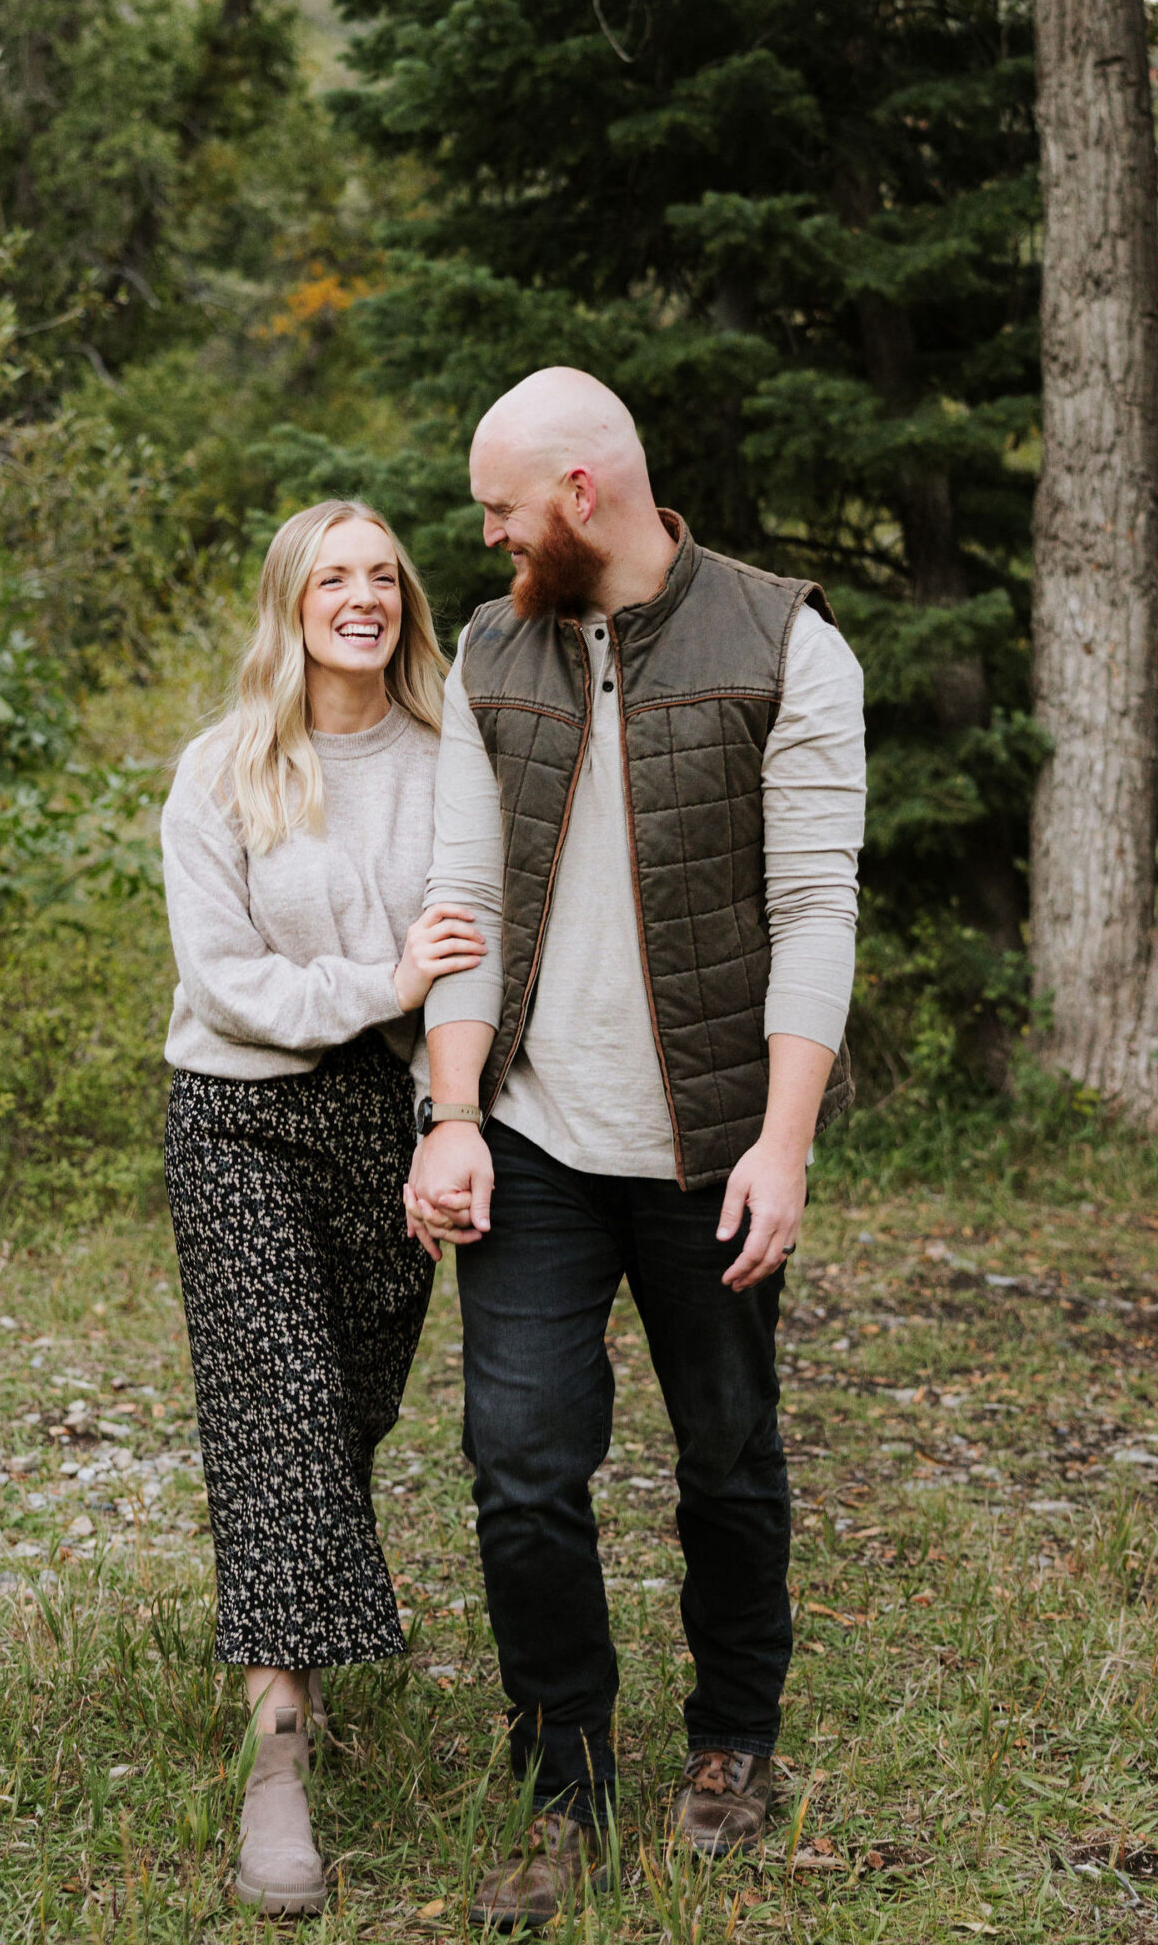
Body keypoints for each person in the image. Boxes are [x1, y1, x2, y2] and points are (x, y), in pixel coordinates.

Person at [405, 369, 865, 1929]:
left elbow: (814, 909)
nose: (484, 533)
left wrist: (783, 1144)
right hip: (531, 1134)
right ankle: (567, 1784)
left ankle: (734, 1744)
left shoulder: (789, 645)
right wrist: (453, 1113)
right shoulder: (490, 647)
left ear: (582, 496)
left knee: (729, 1459)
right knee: (522, 1473)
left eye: (500, 506)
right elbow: (463, 895)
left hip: (712, 1143)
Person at [160, 498, 485, 1917]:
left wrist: (439, 1111)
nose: (362, 597)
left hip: (384, 1122)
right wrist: (383, 988)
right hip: (237, 1109)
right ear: (289, 603)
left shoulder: (447, 762)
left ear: (405, 602)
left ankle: (284, 1639)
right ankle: (277, 1754)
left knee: (345, 1409)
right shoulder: (223, 771)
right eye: (332, 578)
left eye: (382, 577)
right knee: (277, 1403)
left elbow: (471, 960)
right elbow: (230, 982)